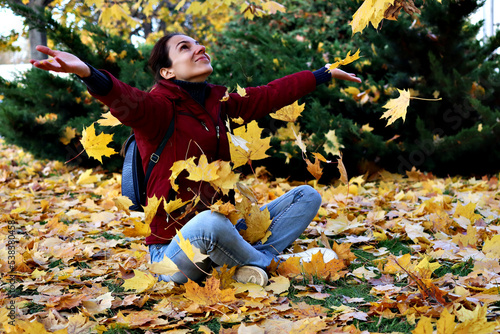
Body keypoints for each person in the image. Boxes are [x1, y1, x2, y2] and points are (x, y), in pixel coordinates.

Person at [31, 33, 361, 286]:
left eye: (198, 44)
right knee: (209, 225)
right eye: (185, 48)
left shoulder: (221, 104)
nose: (198, 48)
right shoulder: (156, 109)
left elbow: (271, 93)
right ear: (167, 71)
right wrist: (89, 73)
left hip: (227, 229)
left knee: (306, 196)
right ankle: (274, 265)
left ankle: (249, 264)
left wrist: (323, 74)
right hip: (174, 253)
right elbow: (123, 98)